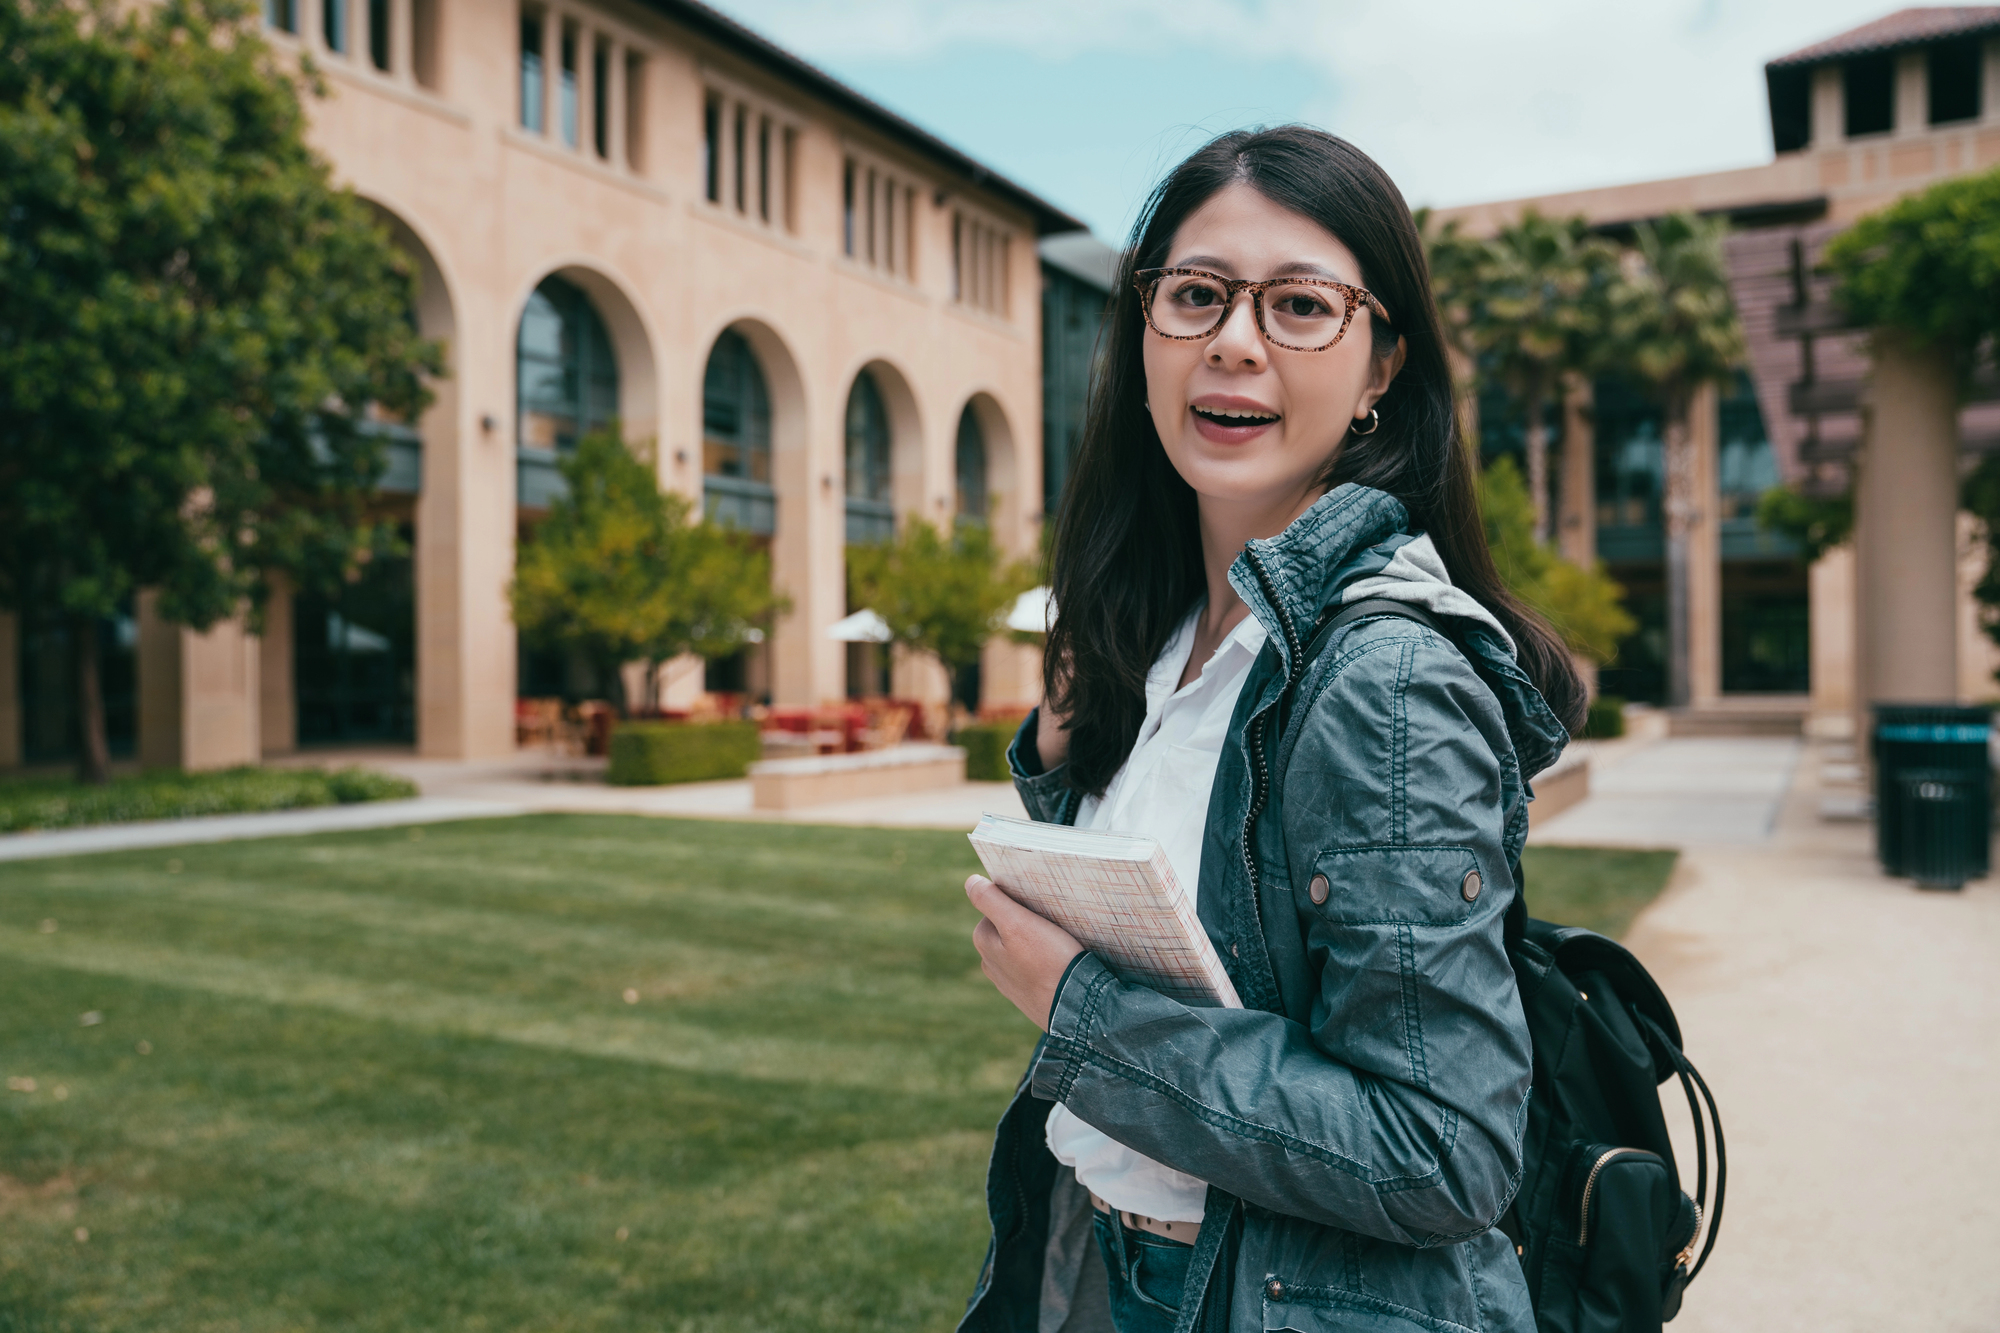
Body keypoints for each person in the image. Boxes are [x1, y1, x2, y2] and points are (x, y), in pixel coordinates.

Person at [958, 126, 1584, 1333]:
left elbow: (1439, 1149)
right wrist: (1059, 772)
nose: (1233, 340)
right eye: (1193, 295)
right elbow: (1226, 921)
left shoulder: (1384, 677)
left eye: (1301, 305)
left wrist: (1081, 1012)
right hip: (1113, 1268)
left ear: (1379, 368)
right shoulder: (1163, 640)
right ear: (1143, 336)